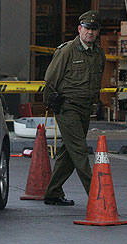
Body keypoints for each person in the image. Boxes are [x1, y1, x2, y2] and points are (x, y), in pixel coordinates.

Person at [42, 10, 106, 206]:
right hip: (67, 107)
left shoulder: (98, 54)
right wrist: (50, 103)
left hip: (85, 109)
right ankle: (97, 197)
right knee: (79, 151)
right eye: (87, 28)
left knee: (69, 152)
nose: (90, 33)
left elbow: (96, 80)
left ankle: (53, 192)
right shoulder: (67, 50)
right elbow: (50, 79)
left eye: (94, 29)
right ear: (80, 29)